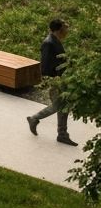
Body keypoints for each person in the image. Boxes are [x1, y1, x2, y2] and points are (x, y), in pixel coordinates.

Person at [27, 18, 77, 146]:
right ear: (59, 30)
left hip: (61, 79)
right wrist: (54, 79)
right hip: (56, 80)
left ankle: (62, 134)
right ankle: (34, 118)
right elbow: (45, 67)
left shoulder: (55, 41)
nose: (67, 30)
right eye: (66, 27)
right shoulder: (49, 43)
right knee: (59, 105)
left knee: (63, 105)